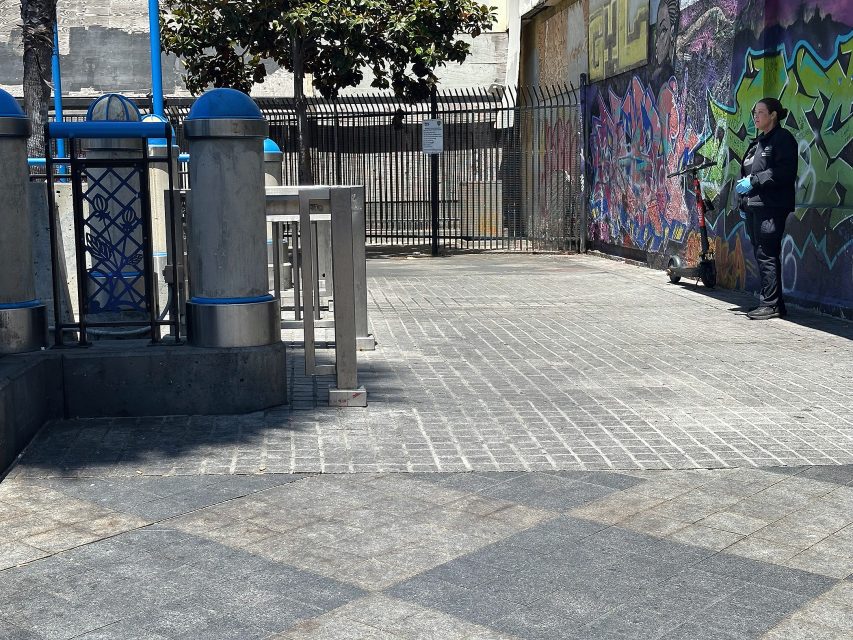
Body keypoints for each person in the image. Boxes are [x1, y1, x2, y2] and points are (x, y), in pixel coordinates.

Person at [735, 97, 798, 320]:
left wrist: (754, 180)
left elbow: (784, 172)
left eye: (761, 112)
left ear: (773, 115)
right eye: (754, 113)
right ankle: (775, 302)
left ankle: (770, 305)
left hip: (771, 206)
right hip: (754, 207)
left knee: (767, 253)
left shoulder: (782, 139)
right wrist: (742, 203)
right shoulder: (758, 142)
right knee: (761, 253)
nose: (756, 116)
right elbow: (745, 173)